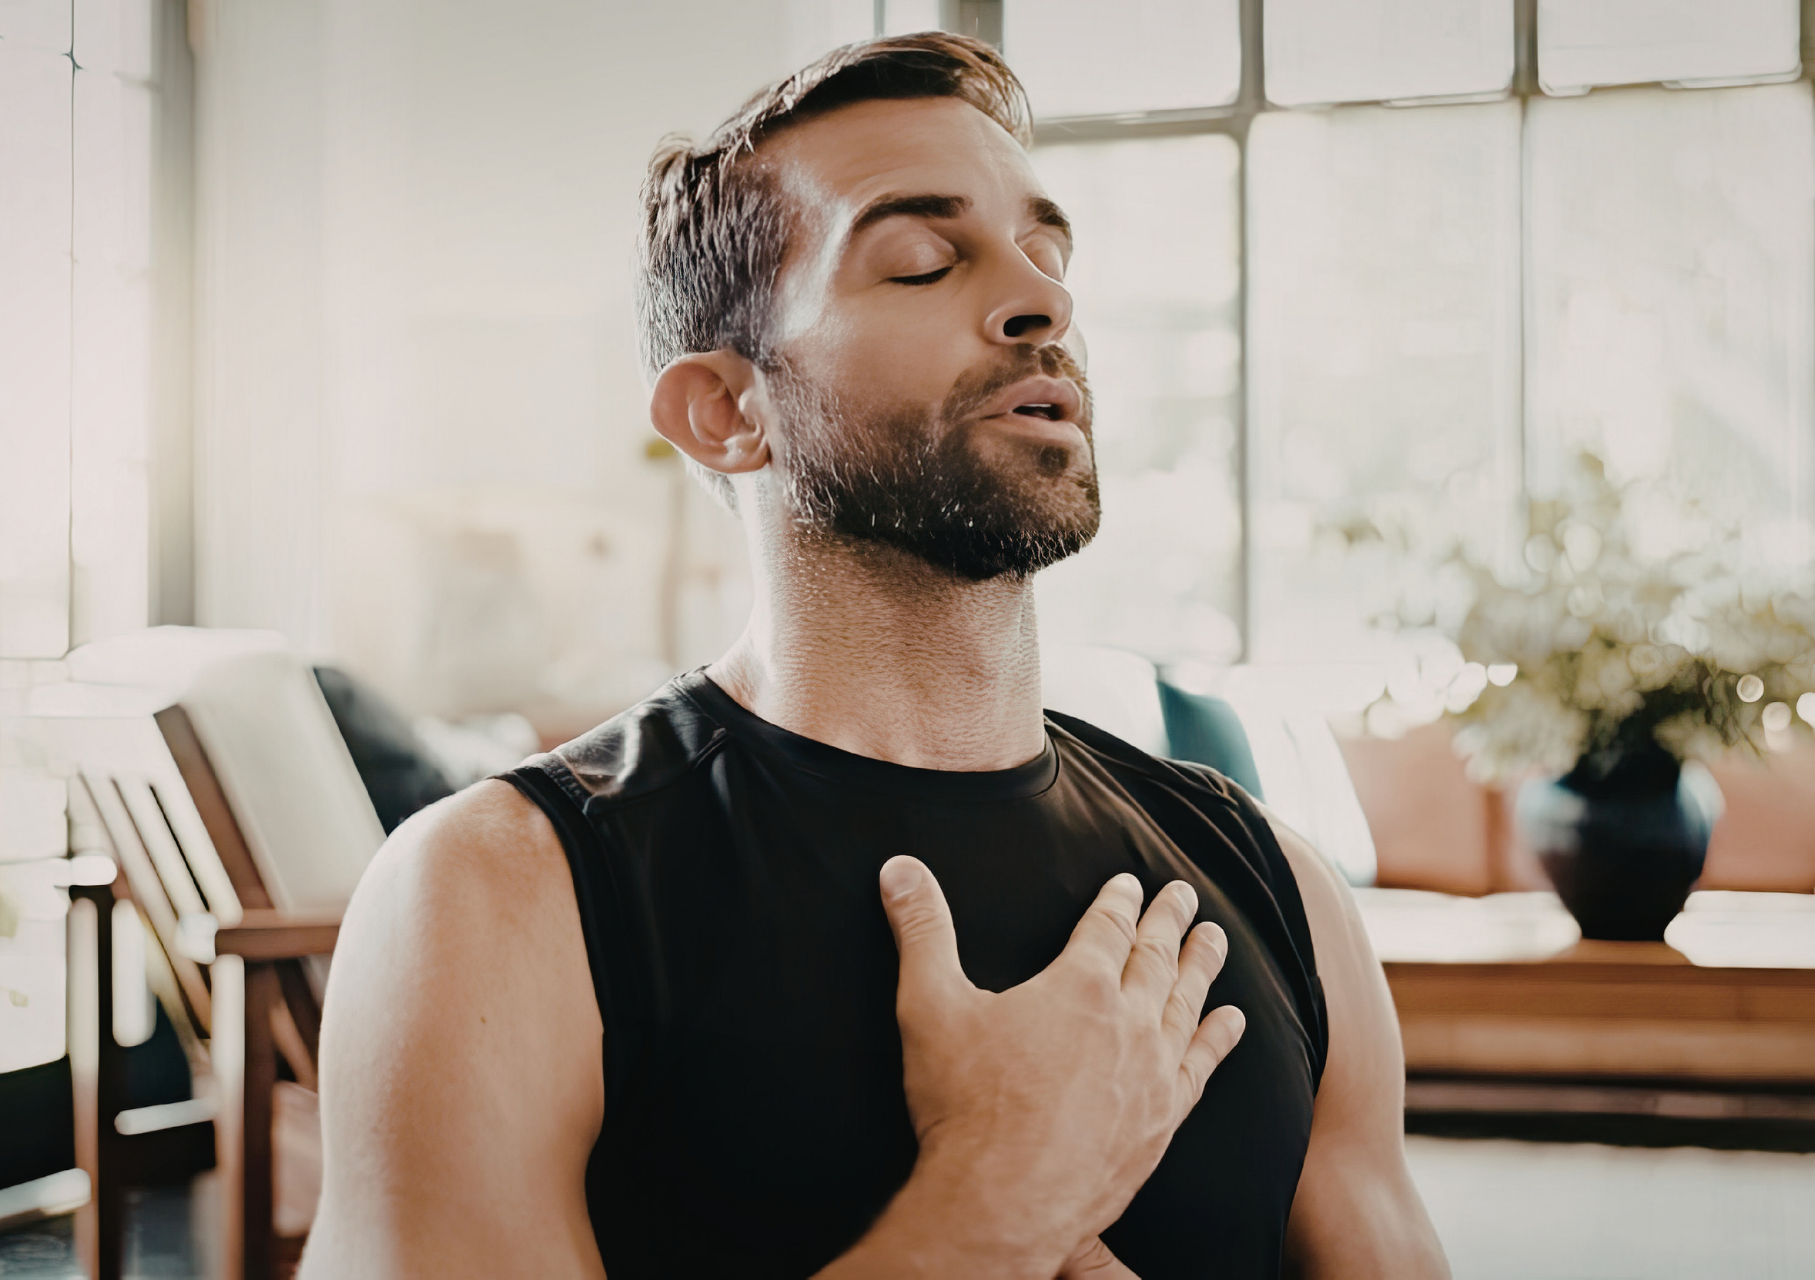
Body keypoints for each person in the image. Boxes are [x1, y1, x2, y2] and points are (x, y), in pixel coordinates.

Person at [301, 32, 1448, 1280]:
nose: (1043, 301)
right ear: (729, 411)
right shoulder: (494, 897)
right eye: (921, 260)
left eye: (1046, 252)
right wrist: (990, 1199)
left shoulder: (1275, 879)